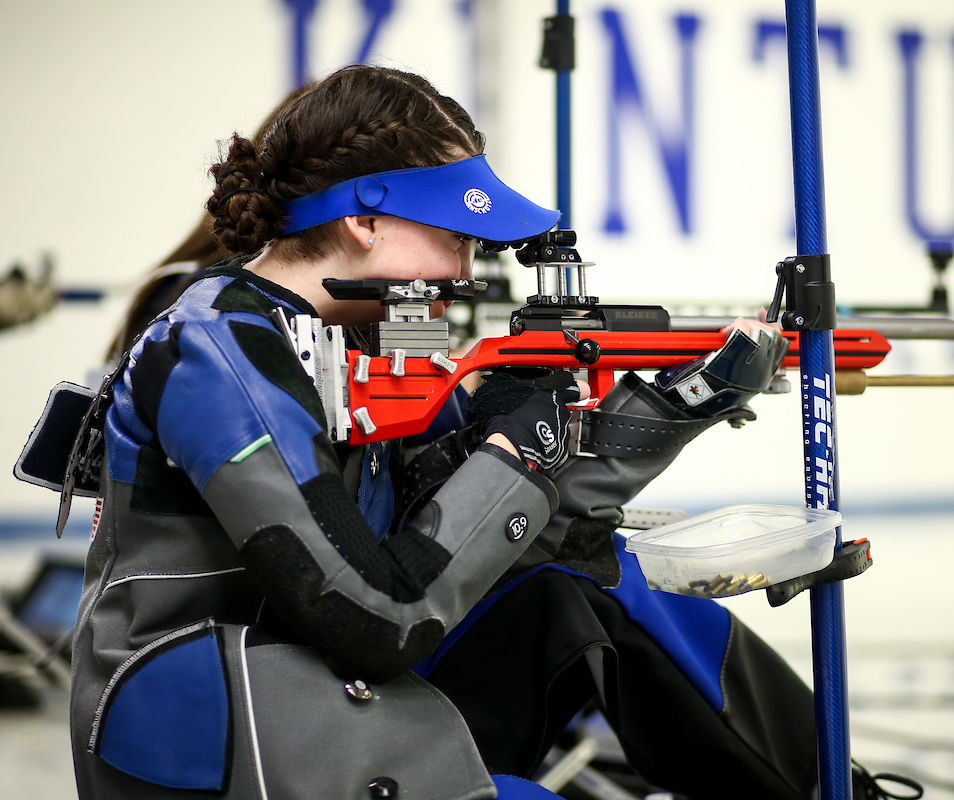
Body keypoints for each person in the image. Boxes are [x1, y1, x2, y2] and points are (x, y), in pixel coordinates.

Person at [68, 64, 814, 800]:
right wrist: (511, 453)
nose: (469, 268)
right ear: (365, 221)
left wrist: (675, 403)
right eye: (457, 238)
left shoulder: (373, 330)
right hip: (222, 734)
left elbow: (515, 529)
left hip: (324, 687)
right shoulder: (217, 348)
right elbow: (371, 617)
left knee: (591, 579)